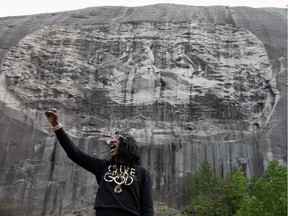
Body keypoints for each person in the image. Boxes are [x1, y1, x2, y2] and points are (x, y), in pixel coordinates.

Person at [44, 109, 154, 216]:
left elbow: (147, 207)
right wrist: (56, 125)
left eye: (115, 137)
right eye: (109, 139)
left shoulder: (142, 173)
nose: (110, 141)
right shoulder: (102, 166)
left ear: (126, 142)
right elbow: (74, 153)